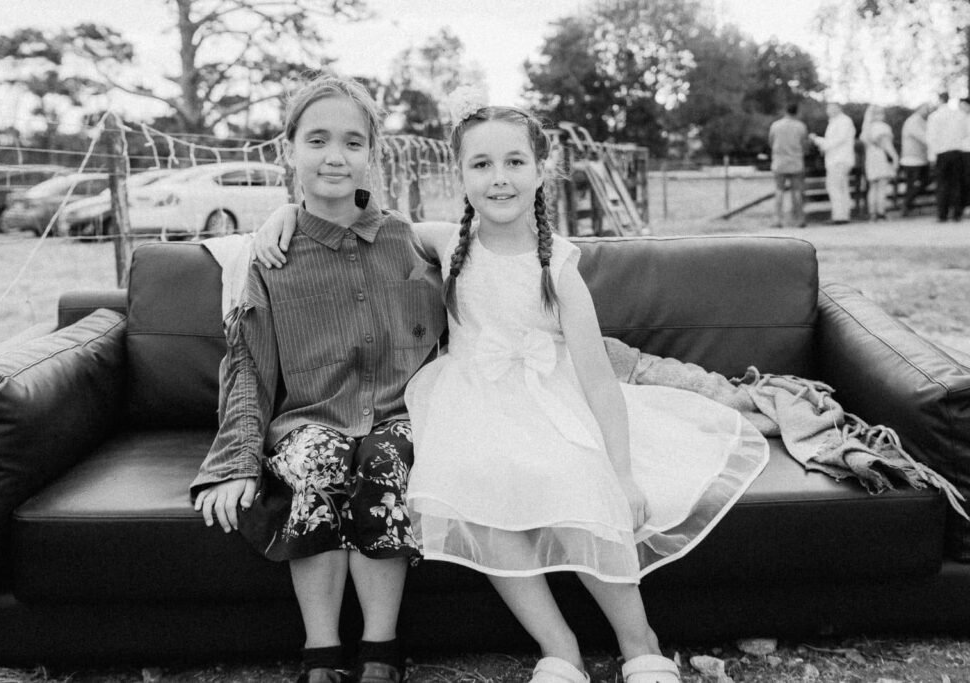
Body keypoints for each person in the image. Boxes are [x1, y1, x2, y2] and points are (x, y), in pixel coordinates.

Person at [263, 98, 770, 683]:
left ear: (541, 169)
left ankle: (641, 645)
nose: (498, 178)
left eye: (514, 162)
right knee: (483, 509)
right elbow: (358, 219)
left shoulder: (559, 268)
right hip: (470, 407)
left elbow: (598, 382)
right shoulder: (443, 242)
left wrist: (624, 473)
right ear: (460, 174)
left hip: (552, 404)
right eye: (481, 165)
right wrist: (285, 212)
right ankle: (560, 650)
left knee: (584, 492)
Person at [191, 74, 445, 683]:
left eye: (353, 143)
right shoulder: (268, 255)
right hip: (311, 419)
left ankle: (381, 648)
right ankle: (322, 652)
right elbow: (248, 367)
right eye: (317, 140)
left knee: (386, 460)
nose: (335, 156)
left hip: (401, 413)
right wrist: (234, 462)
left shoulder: (410, 243)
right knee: (320, 463)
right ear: (289, 150)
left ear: (372, 154)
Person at [810, 102, 856, 224]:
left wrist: (818, 141)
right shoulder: (837, 121)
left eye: (831, 108)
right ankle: (843, 215)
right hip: (838, 159)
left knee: (835, 187)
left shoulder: (843, 121)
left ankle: (839, 216)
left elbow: (836, 141)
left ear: (838, 108)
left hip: (839, 160)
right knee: (841, 187)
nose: (828, 111)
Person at [768, 102, 809, 227]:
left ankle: (777, 219)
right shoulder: (801, 126)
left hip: (779, 162)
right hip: (796, 162)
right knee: (797, 192)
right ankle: (799, 218)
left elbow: (771, 142)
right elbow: (804, 145)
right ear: (797, 112)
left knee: (779, 191)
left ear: (785, 111)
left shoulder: (776, 125)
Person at [926, 92, 965, 222]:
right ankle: (957, 213)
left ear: (940, 100)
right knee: (956, 183)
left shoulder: (935, 116)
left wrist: (931, 156)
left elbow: (931, 137)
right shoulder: (959, 115)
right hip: (957, 152)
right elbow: (965, 133)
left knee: (942, 183)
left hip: (942, 153)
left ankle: (942, 214)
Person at [859, 105, 899, 220]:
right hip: (881, 157)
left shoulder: (867, 129)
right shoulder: (883, 128)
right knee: (882, 186)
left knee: (873, 187)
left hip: (870, 158)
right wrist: (895, 157)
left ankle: (872, 213)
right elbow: (887, 145)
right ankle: (881, 212)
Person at [899, 103, 932, 216]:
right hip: (912, 159)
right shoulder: (913, 121)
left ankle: (908, 205)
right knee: (914, 184)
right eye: (925, 108)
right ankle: (906, 206)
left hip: (921, 159)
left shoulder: (922, 121)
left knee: (923, 182)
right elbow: (924, 138)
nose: (927, 111)